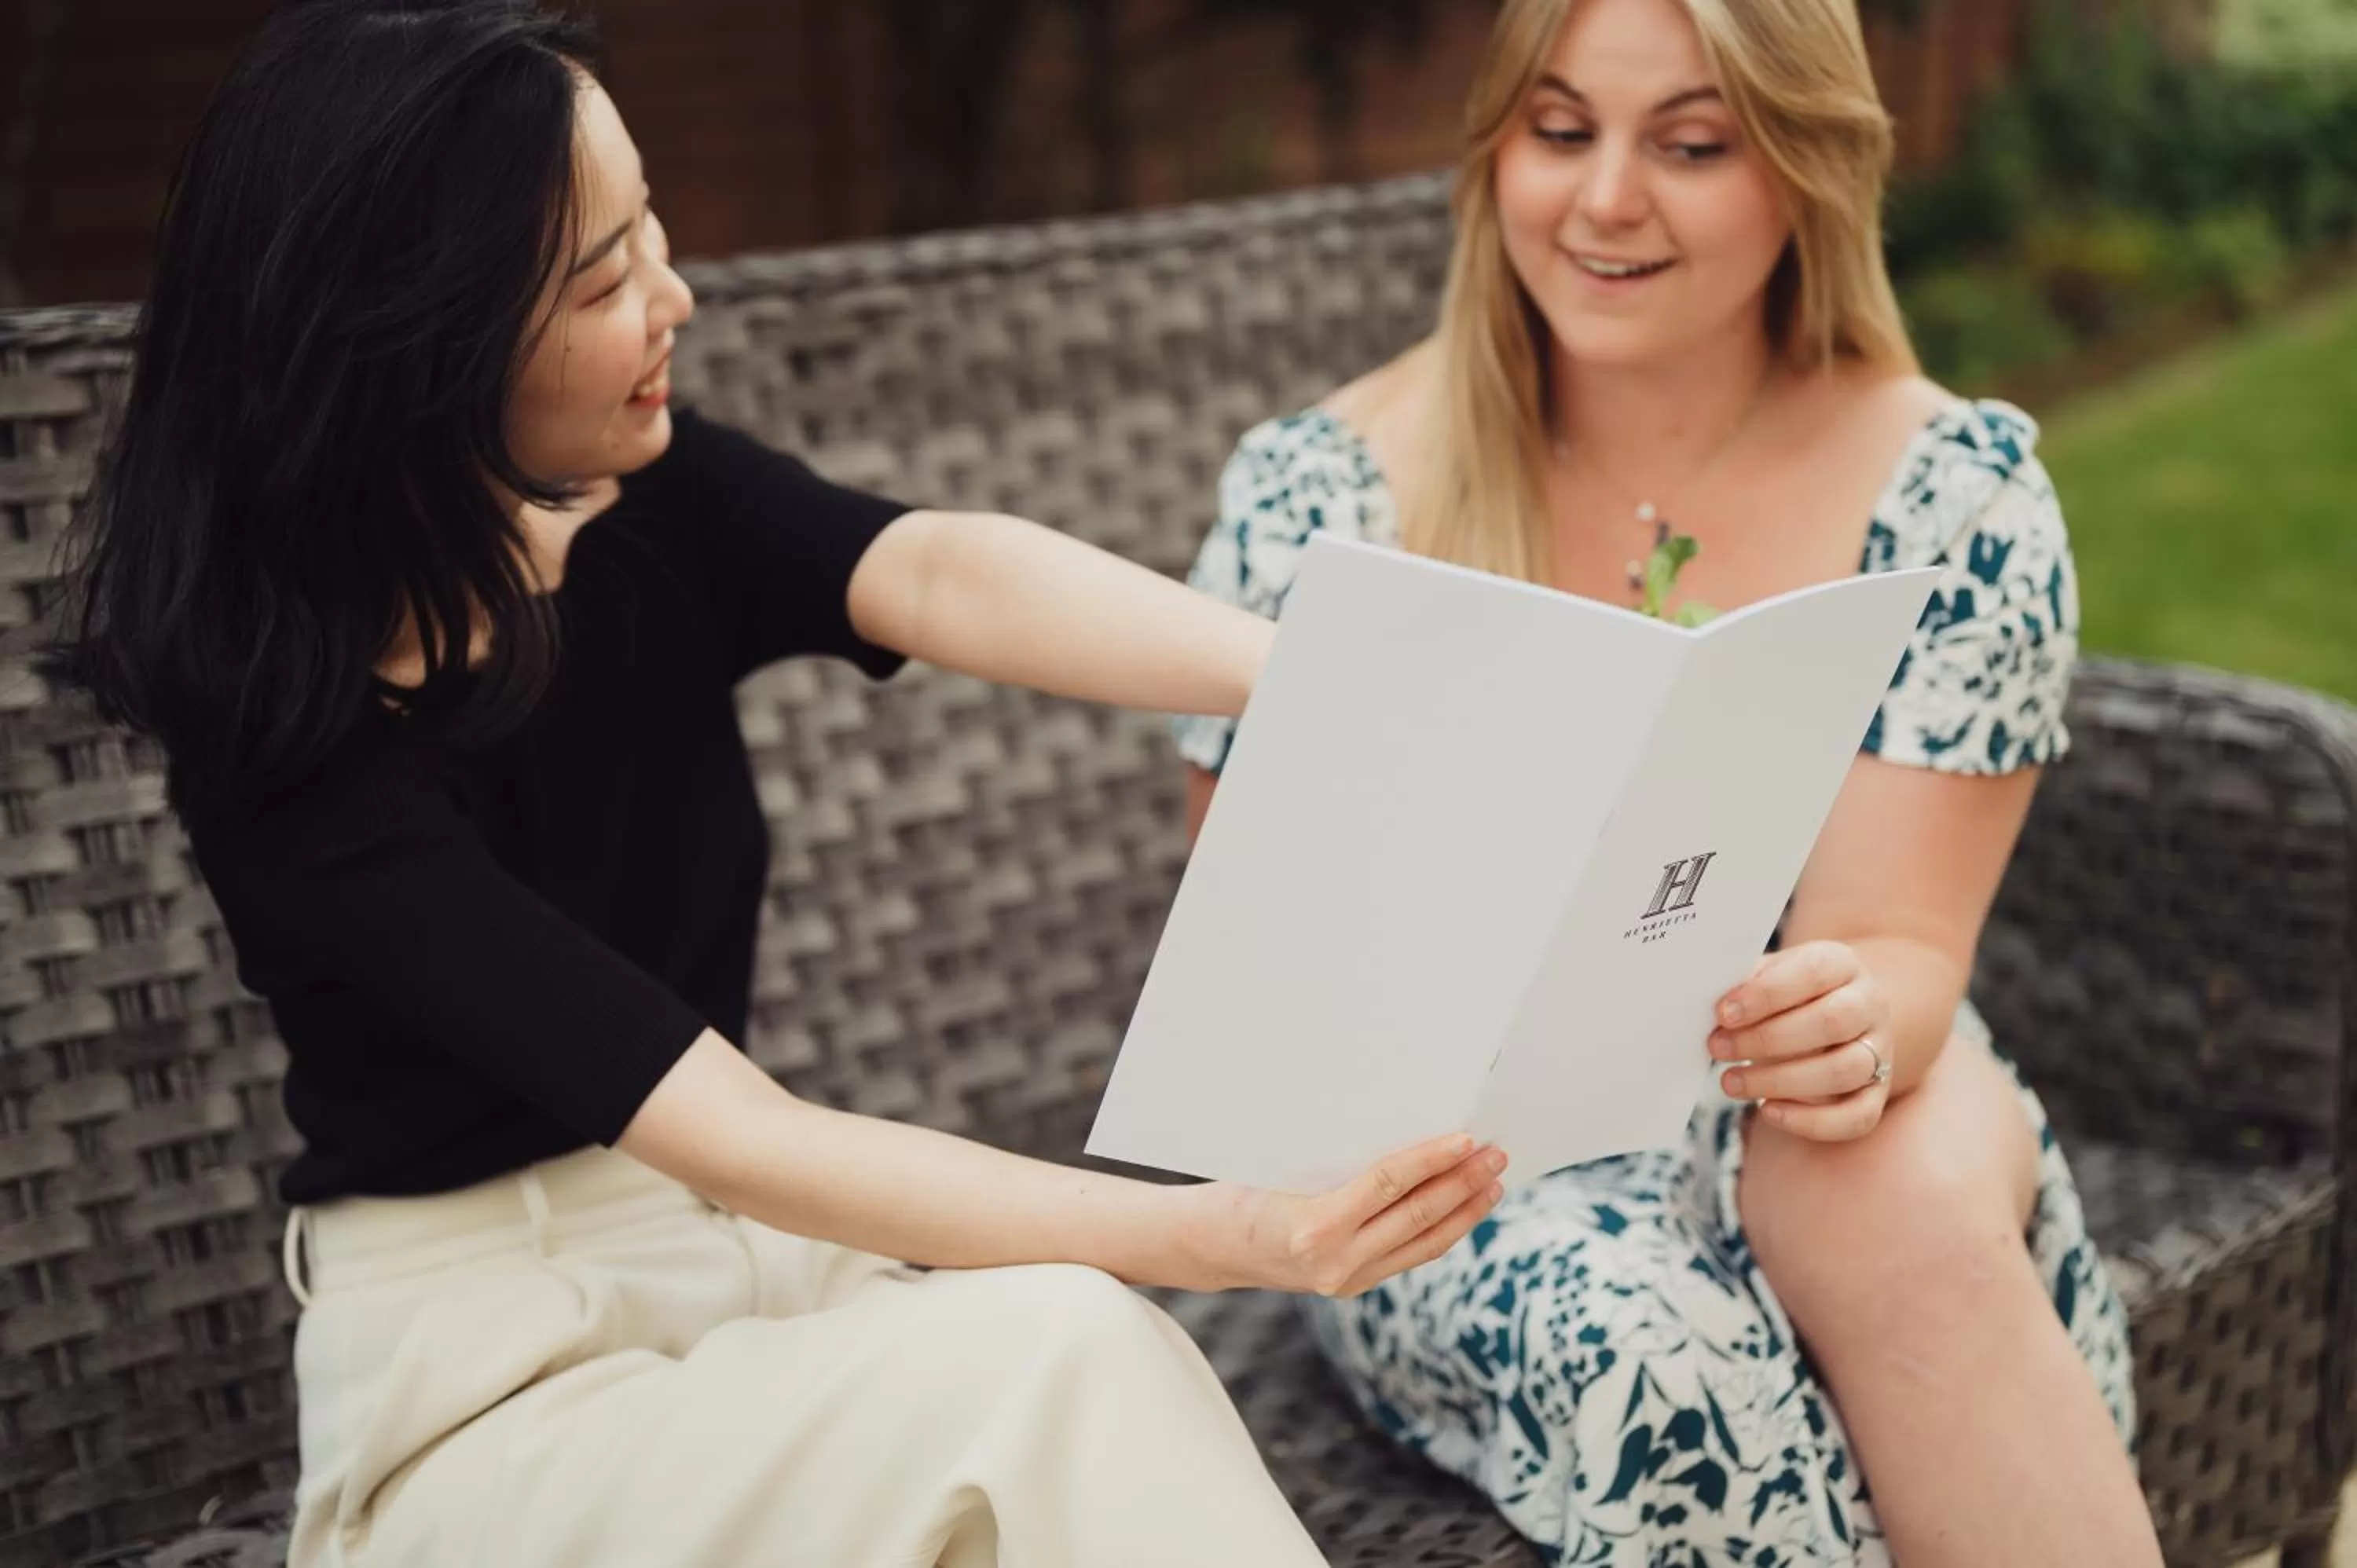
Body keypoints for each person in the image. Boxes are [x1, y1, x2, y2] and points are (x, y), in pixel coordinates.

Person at [42, 5, 1508, 1565]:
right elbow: (749, 1132)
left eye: (649, 227)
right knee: (1060, 1360)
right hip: (501, 1405)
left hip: (771, 1298)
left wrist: (1319, 676)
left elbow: (936, 567)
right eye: (604, 278)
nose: (674, 294)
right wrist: (1234, 1234)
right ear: (424, 345)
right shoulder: (302, 761)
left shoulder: (644, 502)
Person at [1172, 0, 2161, 1562]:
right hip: (1453, 1151)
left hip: (1790, 1087)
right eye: (1560, 131)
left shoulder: (1952, 497)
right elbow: (1267, 990)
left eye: (1690, 145)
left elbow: (1903, 945)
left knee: (1891, 1205)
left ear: (1806, 168)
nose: (1605, 200)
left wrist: (1850, 1024)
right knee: (1650, 1348)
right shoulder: (1334, 495)